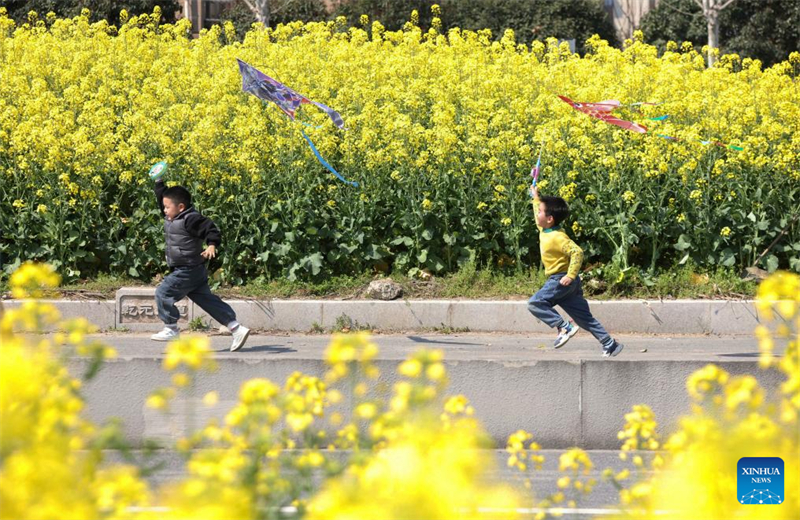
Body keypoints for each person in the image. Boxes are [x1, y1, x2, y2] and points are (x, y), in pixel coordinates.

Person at [150, 176, 250, 352]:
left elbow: (210, 228)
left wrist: (211, 245)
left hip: (187, 270)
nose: (164, 210)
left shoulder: (191, 219)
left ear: (181, 207)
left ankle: (171, 328)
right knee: (207, 301)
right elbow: (162, 200)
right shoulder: (173, 216)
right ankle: (236, 328)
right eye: (164, 207)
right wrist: (159, 182)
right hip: (194, 270)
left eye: (167, 207)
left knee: (163, 293)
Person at [527, 185, 623, 357]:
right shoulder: (544, 229)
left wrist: (570, 275)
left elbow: (577, 252)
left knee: (535, 303)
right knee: (583, 318)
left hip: (560, 280)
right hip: (568, 284)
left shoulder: (558, 237)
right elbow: (538, 213)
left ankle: (564, 327)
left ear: (549, 219)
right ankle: (610, 344)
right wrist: (535, 197)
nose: (536, 214)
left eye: (540, 212)